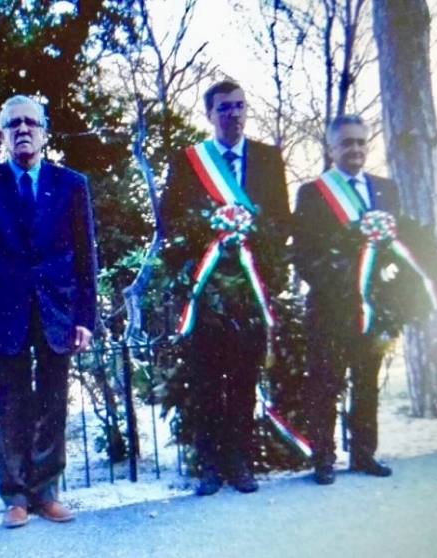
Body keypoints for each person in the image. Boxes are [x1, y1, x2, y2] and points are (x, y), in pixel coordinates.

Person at [0, 95, 98, 528]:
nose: (22, 129)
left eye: (30, 123)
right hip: (4, 311)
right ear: (1, 134)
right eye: (13, 123)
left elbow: (86, 255)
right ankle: (16, 496)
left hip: (57, 310)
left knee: (54, 402)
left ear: (44, 133)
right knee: (10, 404)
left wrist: (85, 317)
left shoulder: (71, 184)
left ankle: (47, 493)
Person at [159, 80, 291, 496]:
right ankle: (210, 467)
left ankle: (240, 463)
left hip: (250, 288)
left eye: (239, 106)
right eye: (224, 108)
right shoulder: (189, 162)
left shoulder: (268, 159)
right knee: (206, 381)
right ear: (209, 114)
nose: (233, 114)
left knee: (244, 379)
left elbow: (282, 221)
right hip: (208, 290)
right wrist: (206, 243)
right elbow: (170, 220)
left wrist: (258, 248)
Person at [293, 114, 399, 485]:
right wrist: (338, 285)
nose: (355, 149)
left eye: (360, 142)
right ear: (331, 148)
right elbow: (303, 254)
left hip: (373, 304)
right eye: (346, 143)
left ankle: (364, 453)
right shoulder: (313, 193)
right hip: (331, 306)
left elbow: (396, 247)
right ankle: (323, 458)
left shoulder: (386, 189)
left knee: (367, 380)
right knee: (326, 382)